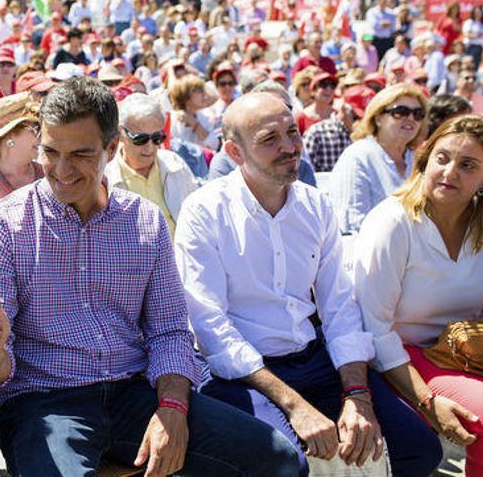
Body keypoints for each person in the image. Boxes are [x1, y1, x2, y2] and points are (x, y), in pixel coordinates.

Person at [0, 77, 301, 477]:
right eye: (50, 152)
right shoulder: (1, 225)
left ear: (111, 148)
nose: (61, 170)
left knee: (279, 461)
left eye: (80, 154)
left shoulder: (144, 221)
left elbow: (170, 332)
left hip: (135, 393)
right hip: (44, 405)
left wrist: (172, 409)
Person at [174, 92, 443, 477]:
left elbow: (340, 308)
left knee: (418, 449)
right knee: (289, 465)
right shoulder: (205, 211)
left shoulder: (315, 206)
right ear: (234, 153)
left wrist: (357, 396)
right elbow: (210, 328)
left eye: (291, 132)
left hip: (312, 358)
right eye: (270, 139)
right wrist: (295, 406)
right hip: (239, 372)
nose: (289, 147)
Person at [354, 115, 483, 477]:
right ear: (424, 160)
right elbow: (374, 327)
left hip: (468, 350)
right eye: (442, 158)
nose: (450, 172)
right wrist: (427, 401)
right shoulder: (393, 222)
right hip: (408, 354)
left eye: (468, 165)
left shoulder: (481, 222)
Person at [330, 84, 428, 234]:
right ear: (378, 118)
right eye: (400, 112)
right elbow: (352, 224)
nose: (411, 118)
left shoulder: (417, 160)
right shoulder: (358, 156)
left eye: (418, 114)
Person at [104, 93, 197, 236]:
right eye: (141, 139)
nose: (150, 147)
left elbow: (197, 216)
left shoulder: (175, 165)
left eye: (156, 138)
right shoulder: (105, 176)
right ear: (120, 134)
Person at [303, 85, 373, 172]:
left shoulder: (372, 134)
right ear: (344, 109)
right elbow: (304, 173)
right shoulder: (317, 133)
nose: (362, 123)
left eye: (366, 119)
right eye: (357, 118)